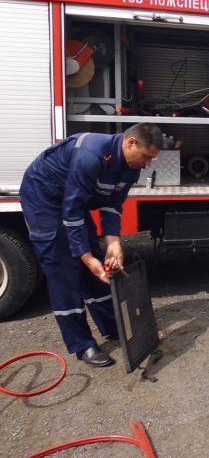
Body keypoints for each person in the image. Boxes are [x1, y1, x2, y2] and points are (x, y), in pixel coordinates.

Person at [19, 123, 163, 367]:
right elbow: (72, 209)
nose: (148, 163)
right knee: (63, 268)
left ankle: (111, 325)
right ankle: (82, 344)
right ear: (130, 143)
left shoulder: (132, 166)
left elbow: (112, 205)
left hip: (72, 200)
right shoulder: (92, 155)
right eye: (147, 156)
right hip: (43, 199)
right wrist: (84, 256)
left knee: (99, 263)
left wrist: (113, 242)